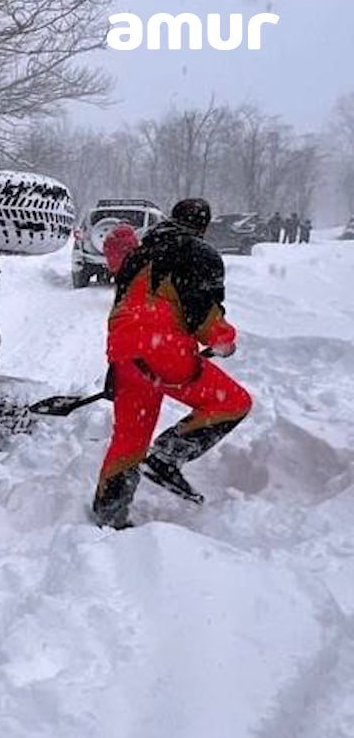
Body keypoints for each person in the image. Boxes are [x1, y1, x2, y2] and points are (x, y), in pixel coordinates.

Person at [93, 198, 253, 529]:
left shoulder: (139, 254)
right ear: (204, 226)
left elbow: (123, 307)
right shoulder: (199, 252)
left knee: (129, 438)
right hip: (164, 351)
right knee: (233, 403)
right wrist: (223, 340)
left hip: (124, 353)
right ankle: (166, 457)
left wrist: (119, 367)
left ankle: (109, 514)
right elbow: (202, 313)